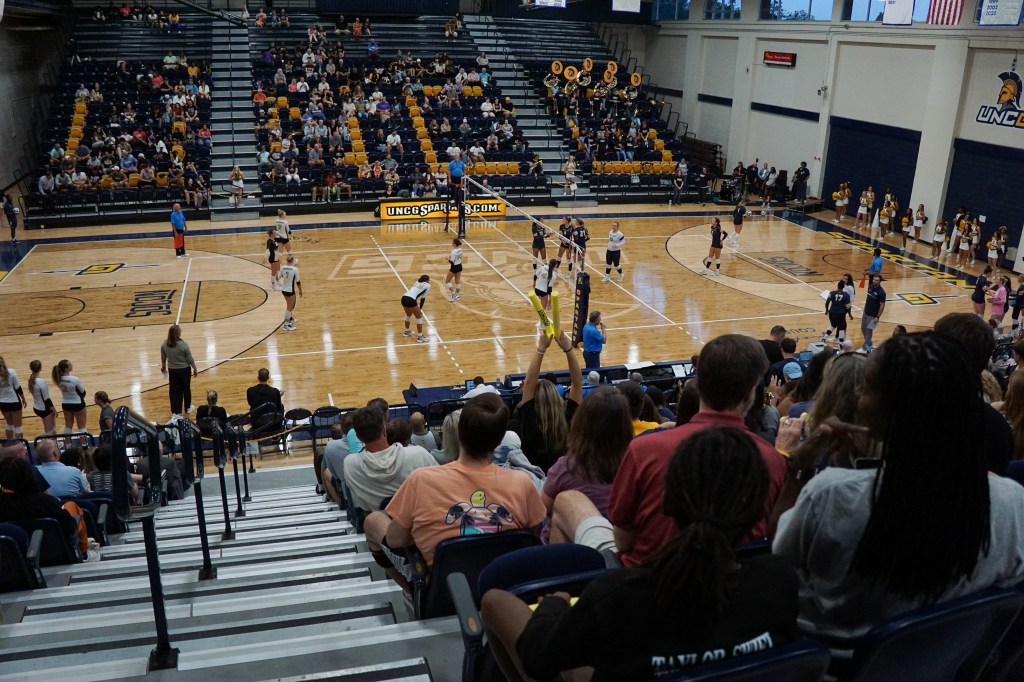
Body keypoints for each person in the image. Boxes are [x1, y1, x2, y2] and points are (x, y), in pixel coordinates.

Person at [481, 426, 798, 681]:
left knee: (494, 600)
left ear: (668, 503)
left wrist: (554, 605)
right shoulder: (780, 580)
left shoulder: (617, 596)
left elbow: (538, 661)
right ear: (756, 508)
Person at [773, 332, 1024, 642]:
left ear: (892, 408)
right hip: (953, 661)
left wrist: (799, 467)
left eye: (866, 387)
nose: (857, 391)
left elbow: (777, 563)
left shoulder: (833, 494)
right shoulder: (1013, 501)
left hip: (834, 660)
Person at [608, 334, 787, 567]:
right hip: (734, 581)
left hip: (650, 579)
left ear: (698, 384)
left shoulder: (643, 449)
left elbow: (623, 541)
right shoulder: (773, 459)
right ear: (750, 395)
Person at [364, 393, 547, 588]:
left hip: (448, 594)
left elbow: (395, 540)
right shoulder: (522, 482)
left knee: (373, 521)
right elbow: (534, 536)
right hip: (508, 586)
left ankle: (417, 595)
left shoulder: (421, 480)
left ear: (458, 431)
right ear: (500, 439)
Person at [342, 406, 436, 514]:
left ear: (358, 437)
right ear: (384, 430)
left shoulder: (350, 464)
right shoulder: (418, 454)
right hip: (419, 518)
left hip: (379, 521)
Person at [516, 329, 583, 473]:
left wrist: (541, 348)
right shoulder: (568, 420)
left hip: (536, 482)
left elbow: (529, 384)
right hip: (563, 481)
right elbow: (577, 384)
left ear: (535, 402)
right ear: (557, 397)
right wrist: (568, 348)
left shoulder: (529, 424)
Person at [160, 324, 198, 419]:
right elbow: (189, 359)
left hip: (172, 371)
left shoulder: (164, 344)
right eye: (180, 331)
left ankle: (176, 412)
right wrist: (195, 368)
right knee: (186, 389)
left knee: (174, 391)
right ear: (177, 334)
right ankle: (188, 408)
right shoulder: (184, 345)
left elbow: (163, 357)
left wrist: (163, 366)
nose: (181, 331)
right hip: (184, 370)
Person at [52, 359, 87, 444]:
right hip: (78, 403)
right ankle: (84, 446)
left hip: (66, 403)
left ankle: (67, 445)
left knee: (68, 425)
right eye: (70, 365)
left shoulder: (58, 379)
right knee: (81, 426)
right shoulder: (75, 379)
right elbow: (82, 392)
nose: (72, 365)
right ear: (66, 369)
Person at [0, 356, 26, 441]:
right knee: (18, 426)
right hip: (14, 401)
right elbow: (18, 387)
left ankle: (10, 444)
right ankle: (20, 444)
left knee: (9, 424)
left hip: (2, 403)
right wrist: (23, 399)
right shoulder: (11, 372)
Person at [28, 360, 56, 435]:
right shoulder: (42, 382)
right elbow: (46, 399)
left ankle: (53, 440)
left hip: (36, 407)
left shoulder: (30, 380)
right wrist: (54, 410)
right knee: (49, 431)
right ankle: (51, 442)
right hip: (44, 409)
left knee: (52, 427)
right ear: (40, 368)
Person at [860, 274, 886, 353]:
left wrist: (877, 317)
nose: (874, 281)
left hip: (873, 316)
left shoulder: (882, 293)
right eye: (874, 280)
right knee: (863, 328)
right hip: (866, 312)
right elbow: (868, 299)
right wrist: (864, 309)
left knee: (869, 331)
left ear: (880, 281)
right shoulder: (870, 287)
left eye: (876, 280)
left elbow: (882, 306)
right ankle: (870, 344)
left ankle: (865, 348)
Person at [401, 275, 430, 343]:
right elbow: (423, 298)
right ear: (427, 280)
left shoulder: (417, 282)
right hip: (411, 299)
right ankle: (420, 337)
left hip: (404, 297)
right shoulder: (428, 285)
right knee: (420, 317)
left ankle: (407, 332)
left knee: (408, 315)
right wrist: (420, 308)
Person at [821, 279, 852, 343]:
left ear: (837, 286)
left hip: (832, 312)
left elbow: (827, 302)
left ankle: (826, 336)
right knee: (842, 329)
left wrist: (826, 310)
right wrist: (849, 314)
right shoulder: (846, 295)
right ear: (843, 287)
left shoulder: (831, 293)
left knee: (833, 325)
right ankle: (841, 344)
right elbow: (848, 307)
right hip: (840, 314)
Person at [278, 254, 302, 331]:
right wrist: (300, 290)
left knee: (290, 305)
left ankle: (290, 319)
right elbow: (298, 281)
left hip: (283, 290)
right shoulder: (295, 269)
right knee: (290, 307)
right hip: (290, 290)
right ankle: (286, 325)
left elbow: (278, 277)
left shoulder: (282, 267)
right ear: (293, 261)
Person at [445, 238, 463, 302]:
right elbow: (460, 257)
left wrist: (447, 259)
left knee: (447, 281)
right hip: (459, 266)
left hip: (454, 267)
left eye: (452, 242)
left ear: (454, 244)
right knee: (457, 281)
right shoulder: (460, 249)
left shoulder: (453, 251)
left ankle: (454, 294)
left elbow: (452, 262)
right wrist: (450, 256)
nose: (451, 243)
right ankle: (456, 295)